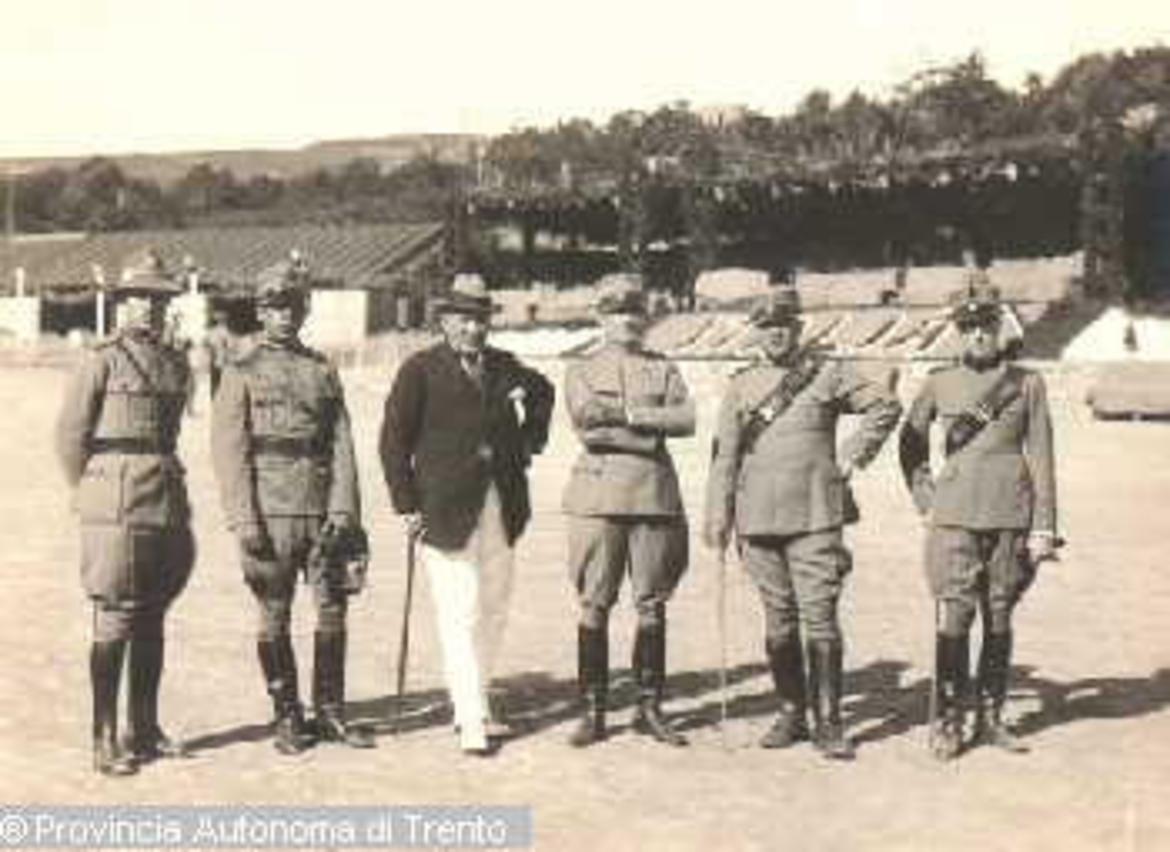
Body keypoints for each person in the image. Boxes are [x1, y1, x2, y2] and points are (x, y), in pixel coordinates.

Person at [704, 285, 902, 760]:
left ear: (798, 328)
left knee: (820, 618)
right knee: (778, 621)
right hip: (756, 519)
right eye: (766, 327)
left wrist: (853, 454)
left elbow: (885, 405)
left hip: (814, 515)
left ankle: (829, 722)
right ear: (757, 333)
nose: (776, 334)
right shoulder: (741, 385)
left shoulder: (827, 373)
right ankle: (792, 711)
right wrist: (717, 514)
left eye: (784, 325)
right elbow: (724, 457)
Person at [378, 272, 554, 756]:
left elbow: (543, 392)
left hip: (502, 504)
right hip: (443, 509)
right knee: (461, 610)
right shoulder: (419, 370)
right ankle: (472, 714)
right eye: (463, 320)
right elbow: (393, 443)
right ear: (445, 322)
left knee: (494, 607)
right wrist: (407, 505)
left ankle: (474, 698)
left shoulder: (504, 366)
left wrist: (529, 441)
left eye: (480, 320)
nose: (473, 329)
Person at [211, 257, 374, 755]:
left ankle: (330, 711)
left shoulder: (321, 369)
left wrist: (343, 509)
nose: (284, 315)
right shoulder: (240, 371)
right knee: (274, 612)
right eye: (274, 307)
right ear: (261, 312)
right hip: (270, 510)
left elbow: (342, 443)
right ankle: (287, 715)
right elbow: (229, 451)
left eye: (293, 307)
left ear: (304, 311)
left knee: (333, 608)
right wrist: (243, 518)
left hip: (321, 508)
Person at [898, 280, 1059, 761]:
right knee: (956, 613)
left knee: (1000, 612)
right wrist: (925, 496)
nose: (979, 335)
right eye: (969, 327)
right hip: (954, 517)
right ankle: (949, 719)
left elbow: (1042, 456)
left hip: (1011, 514)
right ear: (958, 332)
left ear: (999, 326)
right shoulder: (939, 382)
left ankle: (991, 717)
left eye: (986, 324)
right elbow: (910, 442)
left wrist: (1044, 526)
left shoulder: (1027, 383)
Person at [55, 249, 196, 776]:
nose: (150, 309)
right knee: (115, 615)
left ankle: (145, 726)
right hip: (113, 502)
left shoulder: (175, 362)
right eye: (140, 298)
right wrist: (94, 490)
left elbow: (170, 433)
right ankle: (104, 737)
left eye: (158, 300)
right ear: (122, 303)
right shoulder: (101, 360)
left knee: (154, 613)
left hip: (164, 497)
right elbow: (70, 436)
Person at [561, 272, 694, 748]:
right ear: (601, 317)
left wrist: (629, 417)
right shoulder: (581, 369)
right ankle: (592, 710)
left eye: (635, 312)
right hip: (598, 500)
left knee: (652, 603)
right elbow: (588, 428)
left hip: (653, 498)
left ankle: (649, 707)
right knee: (595, 601)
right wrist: (651, 433)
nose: (628, 321)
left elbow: (687, 418)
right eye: (617, 313)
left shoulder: (663, 368)